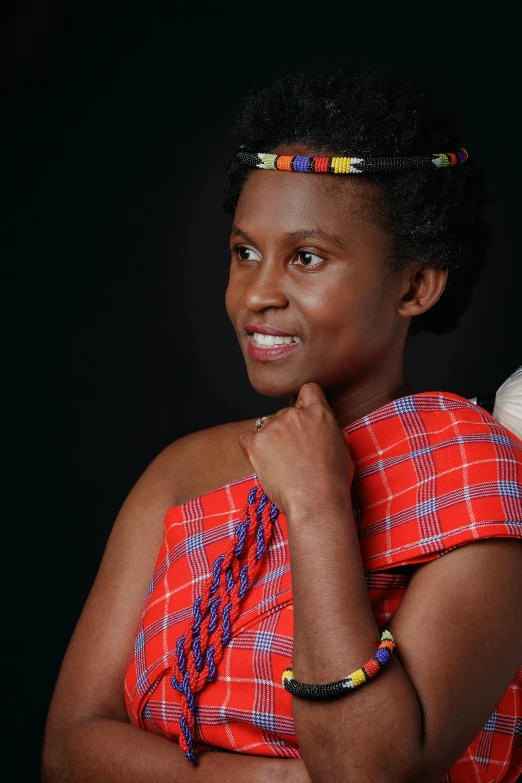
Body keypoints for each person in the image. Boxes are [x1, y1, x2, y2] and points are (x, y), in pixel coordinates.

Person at [42, 70, 522, 782]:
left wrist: (318, 503)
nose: (258, 293)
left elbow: (366, 771)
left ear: (415, 285)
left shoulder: (480, 472)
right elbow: (69, 749)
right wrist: (260, 780)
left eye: (306, 257)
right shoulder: (181, 473)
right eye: (244, 252)